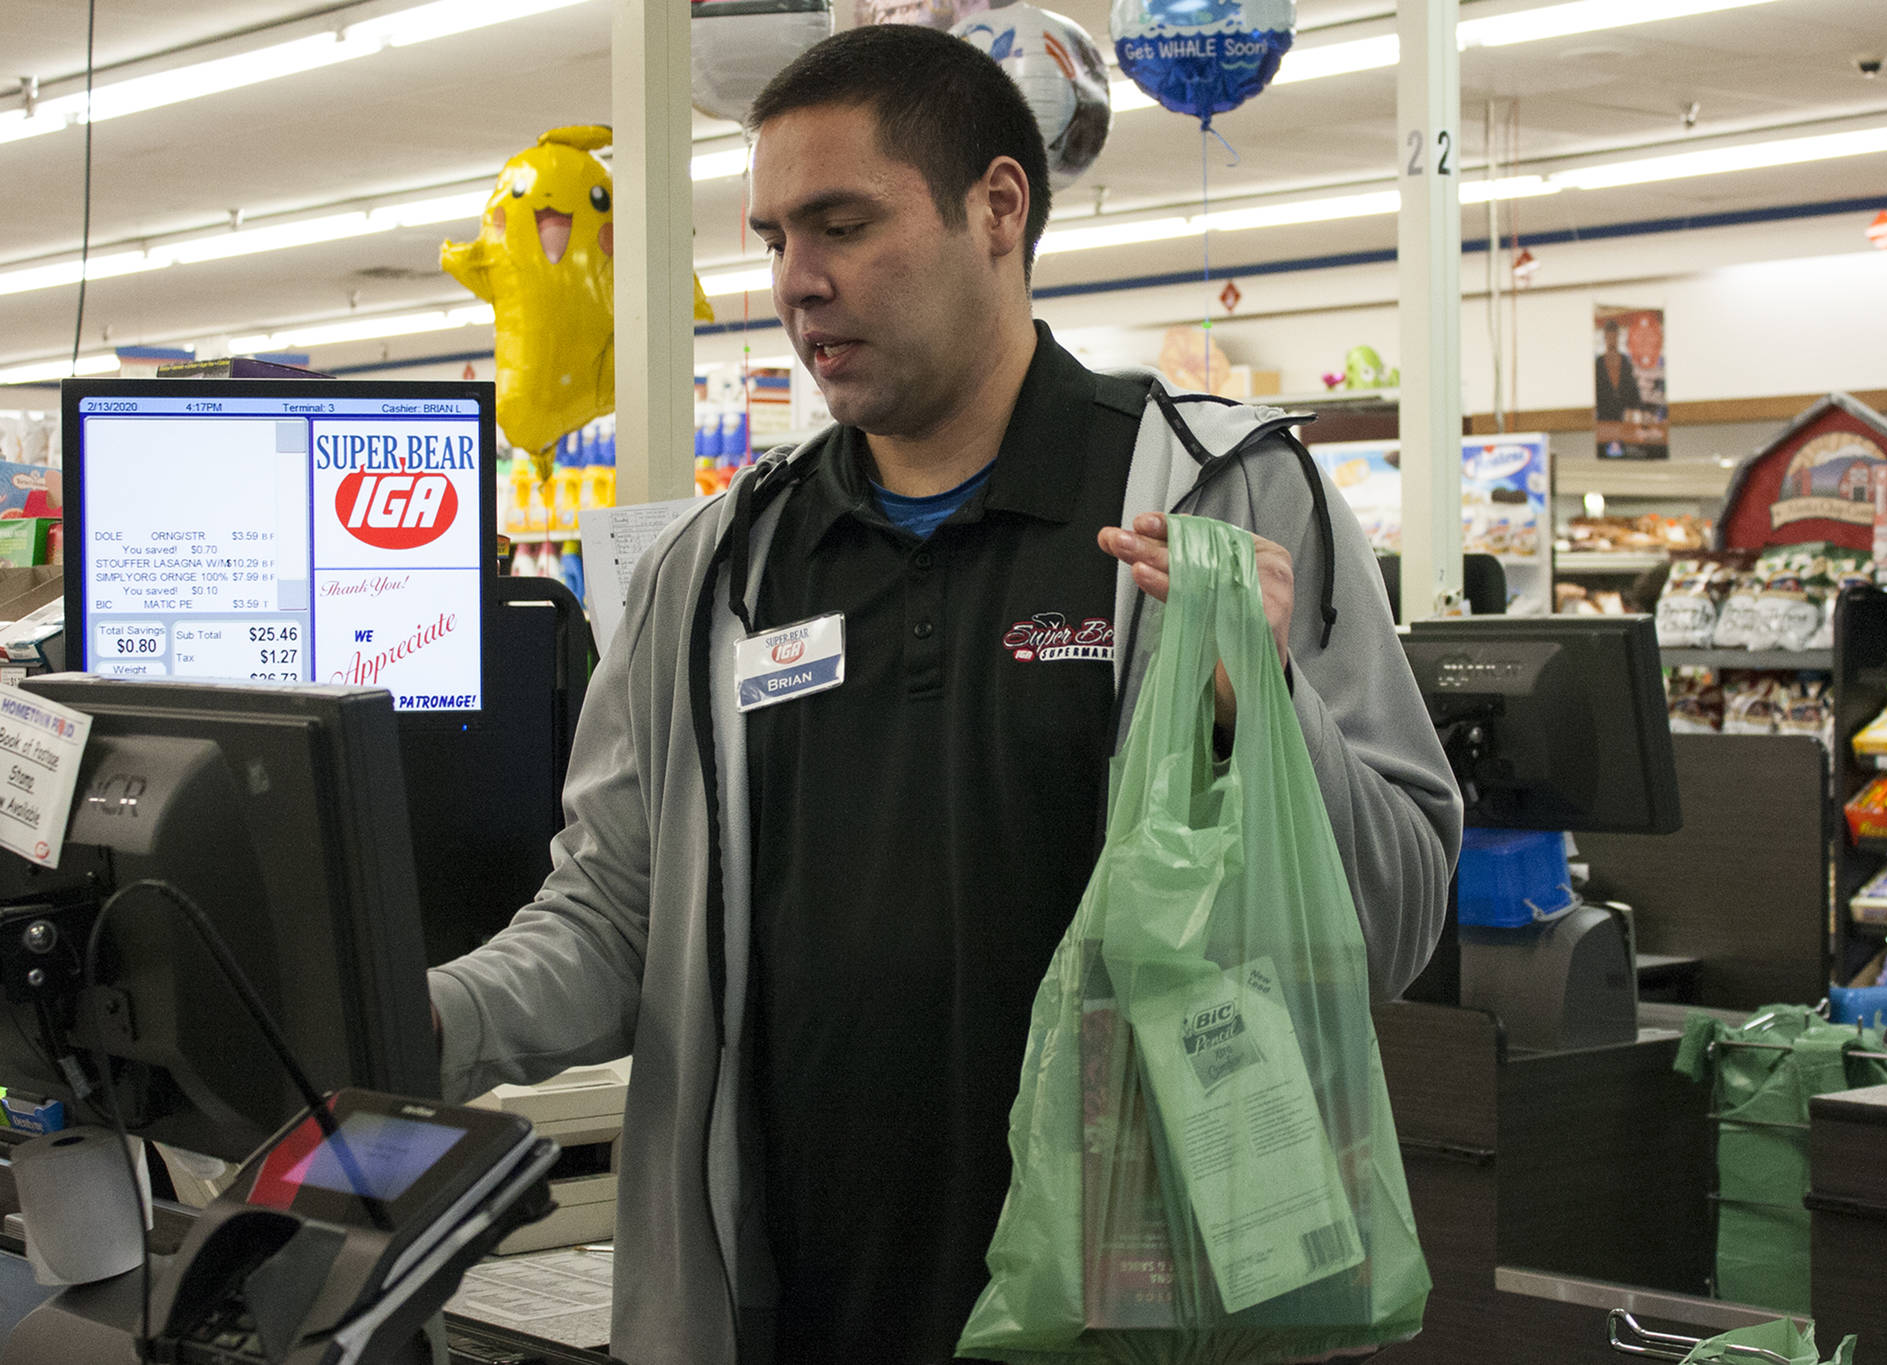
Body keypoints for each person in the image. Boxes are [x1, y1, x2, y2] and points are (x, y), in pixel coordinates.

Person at [428, 24, 1460, 1365]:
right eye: (777, 236)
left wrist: (1265, 716)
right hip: (797, 1305)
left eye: (843, 224)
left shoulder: (1219, 500)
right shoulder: (721, 569)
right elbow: (617, 915)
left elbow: (1400, 915)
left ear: (997, 208)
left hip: (1136, 1311)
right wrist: (420, 1020)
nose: (800, 282)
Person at [1595, 317, 1642, 422]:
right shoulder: (1598, 363)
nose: (1612, 341)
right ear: (1605, 338)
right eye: (1609, 337)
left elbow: (1633, 390)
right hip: (1603, 419)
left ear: (1618, 337)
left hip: (1624, 419)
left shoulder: (1625, 361)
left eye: (1614, 337)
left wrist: (1634, 409)